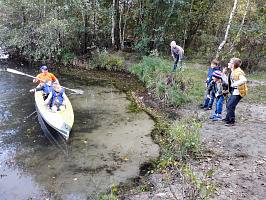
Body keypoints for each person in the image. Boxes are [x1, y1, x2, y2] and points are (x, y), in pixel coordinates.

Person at [223, 57, 248, 126]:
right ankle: (228, 117)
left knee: (230, 106)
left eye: (230, 62)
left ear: (233, 65)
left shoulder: (238, 72)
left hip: (238, 92)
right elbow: (229, 81)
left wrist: (234, 84)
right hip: (234, 91)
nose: (228, 63)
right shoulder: (232, 71)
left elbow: (244, 80)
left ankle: (232, 121)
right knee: (228, 104)